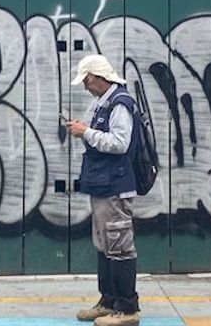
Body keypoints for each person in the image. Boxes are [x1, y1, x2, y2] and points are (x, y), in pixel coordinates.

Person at [66, 54, 141, 326]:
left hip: (115, 186)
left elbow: (120, 143)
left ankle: (128, 308)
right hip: (102, 184)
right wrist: (85, 129)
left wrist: (85, 132)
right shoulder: (103, 103)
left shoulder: (120, 103)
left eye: (87, 81)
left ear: (99, 77)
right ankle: (108, 301)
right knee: (105, 244)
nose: (86, 87)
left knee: (119, 246)